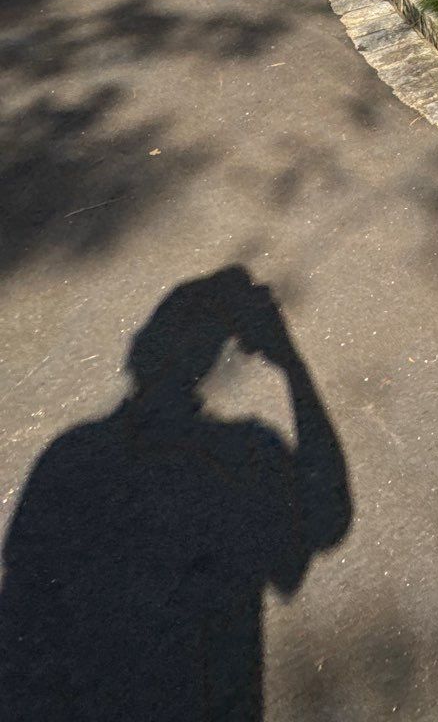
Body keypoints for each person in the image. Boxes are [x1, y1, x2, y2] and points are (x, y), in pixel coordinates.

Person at [0, 266, 351, 720]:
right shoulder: (240, 458)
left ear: (138, 349)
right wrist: (291, 364)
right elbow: (326, 519)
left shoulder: (77, 456)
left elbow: (20, 619)